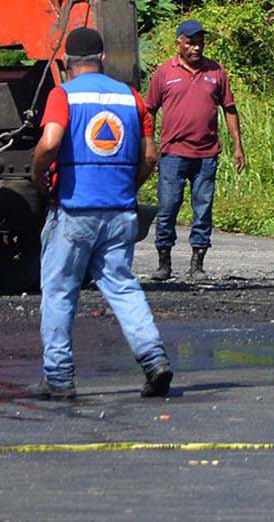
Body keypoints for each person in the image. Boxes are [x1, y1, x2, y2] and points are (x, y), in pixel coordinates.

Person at [32, 27, 174, 400]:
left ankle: (59, 377)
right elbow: (149, 155)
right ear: (103, 59)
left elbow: (49, 142)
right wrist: (130, 187)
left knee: (60, 291)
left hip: (74, 211)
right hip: (119, 211)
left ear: (66, 62)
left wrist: (39, 177)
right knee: (123, 286)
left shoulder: (62, 95)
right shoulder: (130, 98)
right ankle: (154, 359)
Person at [147, 19, 245, 279]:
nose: (196, 48)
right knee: (168, 206)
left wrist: (238, 146)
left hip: (206, 154)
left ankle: (197, 263)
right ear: (178, 43)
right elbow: (149, 110)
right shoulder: (164, 73)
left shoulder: (216, 72)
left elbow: (230, 109)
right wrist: (150, 146)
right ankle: (164, 262)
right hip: (173, 153)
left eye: (200, 42)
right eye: (190, 42)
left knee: (203, 209)